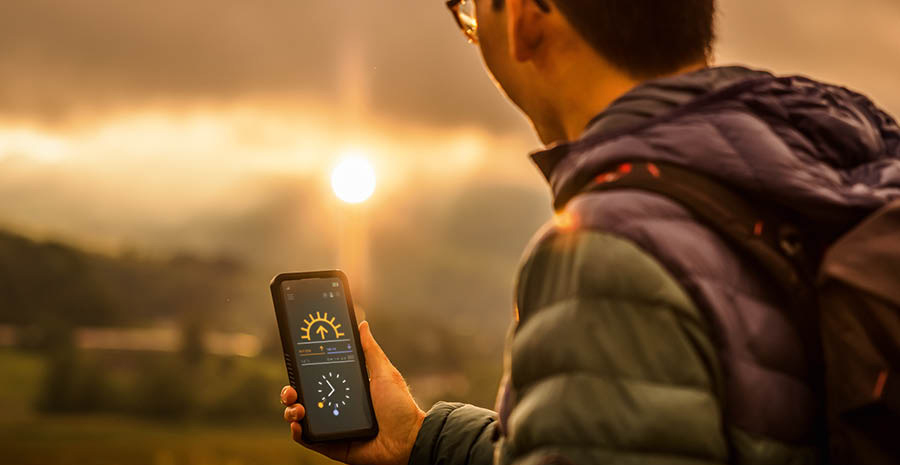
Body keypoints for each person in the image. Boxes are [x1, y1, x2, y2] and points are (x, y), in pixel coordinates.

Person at [281, 0, 900, 463]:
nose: (473, 30)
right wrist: (419, 438)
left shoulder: (605, 254)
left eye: (470, 11)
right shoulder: (842, 160)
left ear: (527, 17)